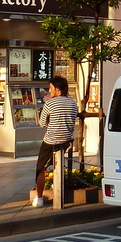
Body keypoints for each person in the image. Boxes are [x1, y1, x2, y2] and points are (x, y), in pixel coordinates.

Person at [33, 75, 80, 207]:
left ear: (58, 89)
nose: (49, 91)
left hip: (51, 140)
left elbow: (42, 123)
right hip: (66, 140)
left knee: (40, 168)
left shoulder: (49, 103)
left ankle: (39, 198)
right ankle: (58, 191)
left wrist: (50, 122)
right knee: (57, 165)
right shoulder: (72, 103)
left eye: (51, 88)